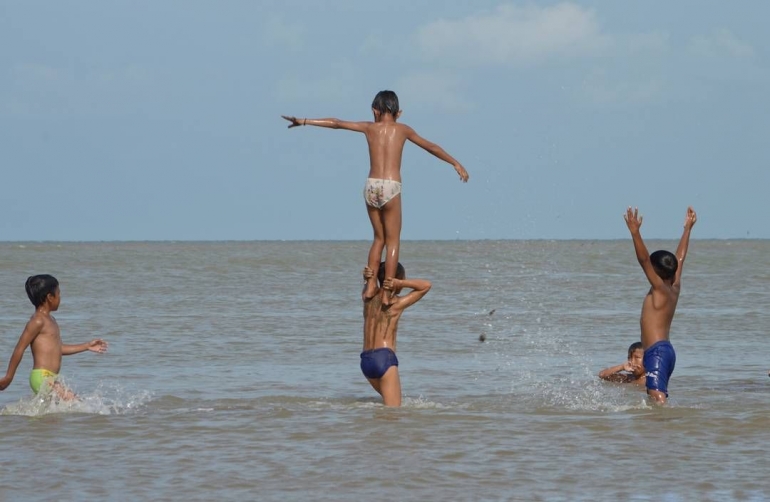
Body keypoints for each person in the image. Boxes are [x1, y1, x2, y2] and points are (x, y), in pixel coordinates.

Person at [283, 90, 468, 305]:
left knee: (378, 239)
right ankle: (388, 292)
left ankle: (370, 285)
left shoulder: (369, 128)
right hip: (391, 186)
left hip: (371, 186)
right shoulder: (403, 130)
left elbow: (336, 123)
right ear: (399, 113)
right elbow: (431, 147)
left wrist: (304, 121)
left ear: (374, 110)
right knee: (393, 241)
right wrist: (455, 163)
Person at [624, 206, 697, 404]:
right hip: (666, 351)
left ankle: (668, 429)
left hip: (656, 351)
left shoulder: (658, 288)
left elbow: (644, 259)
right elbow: (680, 258)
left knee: (657, 399)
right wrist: (687, 229)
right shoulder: (674, 286)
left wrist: (635, 232)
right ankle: (660, 432)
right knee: (655, 398)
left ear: (655, 273)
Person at [0, 275, 108, 400]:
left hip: (51, 378)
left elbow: (59, 349)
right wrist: (9, 377)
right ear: (50, 297)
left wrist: (87, 346)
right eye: (58, 293)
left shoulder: (51, 320)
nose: (60, 297)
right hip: (42, 377)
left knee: (52, 417)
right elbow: (19, 348)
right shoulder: (37, 321)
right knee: (75, 402)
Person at [360, 262, 431, 406]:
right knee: (393, 413)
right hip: (384, 358)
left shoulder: (367, 298)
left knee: (388, 406)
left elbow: (368, 284)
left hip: (366, 360)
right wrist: (401, 283)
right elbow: (426, 285)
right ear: (396, 278)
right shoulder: (395, 304)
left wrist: (366, 278)